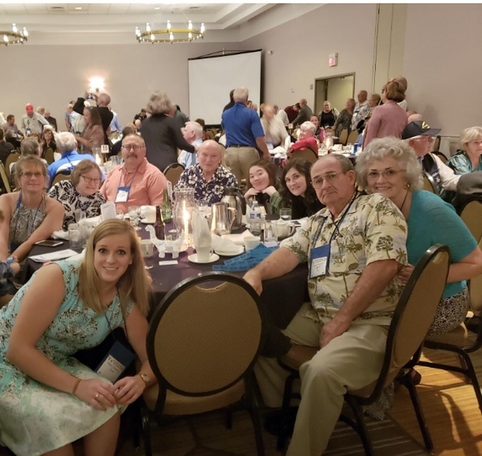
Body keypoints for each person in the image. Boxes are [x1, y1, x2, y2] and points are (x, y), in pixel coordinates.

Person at [244, 154, 407, 456]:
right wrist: (256, 272)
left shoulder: (376, 208)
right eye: (318, 180)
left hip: (372, 321)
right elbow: (288, 252)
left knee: (321, 371)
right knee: (256, 332)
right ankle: (294, 409)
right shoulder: (317, 221)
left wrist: (342, 319)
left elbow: (385, 265)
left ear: (351, 178)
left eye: (331, 176)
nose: (324, 184)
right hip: (321, 316)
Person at [0, 219, 155, 456]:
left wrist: (142, 379)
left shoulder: (124, 304)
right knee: (56, 439)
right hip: (0, 352)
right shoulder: (60, 277)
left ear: (131, 259)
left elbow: (155, 358)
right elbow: (18, 350)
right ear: (91, 252)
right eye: (103, 250)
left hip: (52, 359)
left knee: (107, 405)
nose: (110, 260)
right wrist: (77, 386)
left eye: (121, 252)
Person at [356, 137, 482, 334]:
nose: (380, 180)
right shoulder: (376, 207)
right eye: (373, 174)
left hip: (441, 302)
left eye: (390, 172)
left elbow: (476, 263)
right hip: (401, 295)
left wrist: (422, 275)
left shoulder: (431, 210)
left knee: (361, 323)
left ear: (406, 175)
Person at [0, 155, 64, 261]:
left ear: (45, 180)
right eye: (27, 174)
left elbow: (31, 242)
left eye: (37, 174)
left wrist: (8, 264)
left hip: (34, 262)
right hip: (3, 257)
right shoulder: (5, 200)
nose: (33, 178)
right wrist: (1, 265)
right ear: (18, 179)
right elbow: (0, 238)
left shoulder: (55, 208)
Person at [101, 133, 167, 212]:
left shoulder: (154, 176)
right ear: (122, 150)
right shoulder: (113, 172)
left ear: (144, 151)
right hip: (109, 222)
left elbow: (161, 211)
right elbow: (99, 200)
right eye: (128, 147)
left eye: (136, 147)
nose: (131, 151)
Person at [221, 87, 269, 184]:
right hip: (248, 152)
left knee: (233, 185)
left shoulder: (225, 114)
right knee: (252, 183)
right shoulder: (251, 113)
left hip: (230, 152)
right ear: (247, 98)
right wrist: (266, 152)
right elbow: (259, 137)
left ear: (233, 98)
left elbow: (224, 130)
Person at [140, 91, 195, 172]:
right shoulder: (170, 121)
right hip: (168, 166)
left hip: (148, 165)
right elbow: (181, 143)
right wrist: (194, 148)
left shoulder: (144, 123)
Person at [401, 120, 460, 195]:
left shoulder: (431, 158)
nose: (432, 140)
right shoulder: (400, 163)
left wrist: (472, 181)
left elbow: (449, 179)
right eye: (427, 138)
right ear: (412, 142)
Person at [174, 140, 238, 206]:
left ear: (220, 158)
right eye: (204, 155)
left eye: (213, 156)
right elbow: (177, 199)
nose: (208, 160)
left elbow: (233, 209)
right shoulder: (188, 174)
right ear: (198, 155)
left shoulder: (229, 179)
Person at [48, 160, 106, 230]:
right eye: (88, 179)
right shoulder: (61, 188)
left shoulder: (99, 199)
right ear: (77, 176)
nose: (93, 184)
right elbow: (44, 213)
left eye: (96, 180)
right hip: (56, 236)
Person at [362, 80, 408, 148]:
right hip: (395, 150)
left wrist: (366, 152)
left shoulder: (379, 110)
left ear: (386, 92)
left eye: (383, 91)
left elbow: (371, 134)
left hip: (379, 151)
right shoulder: (403, 113)